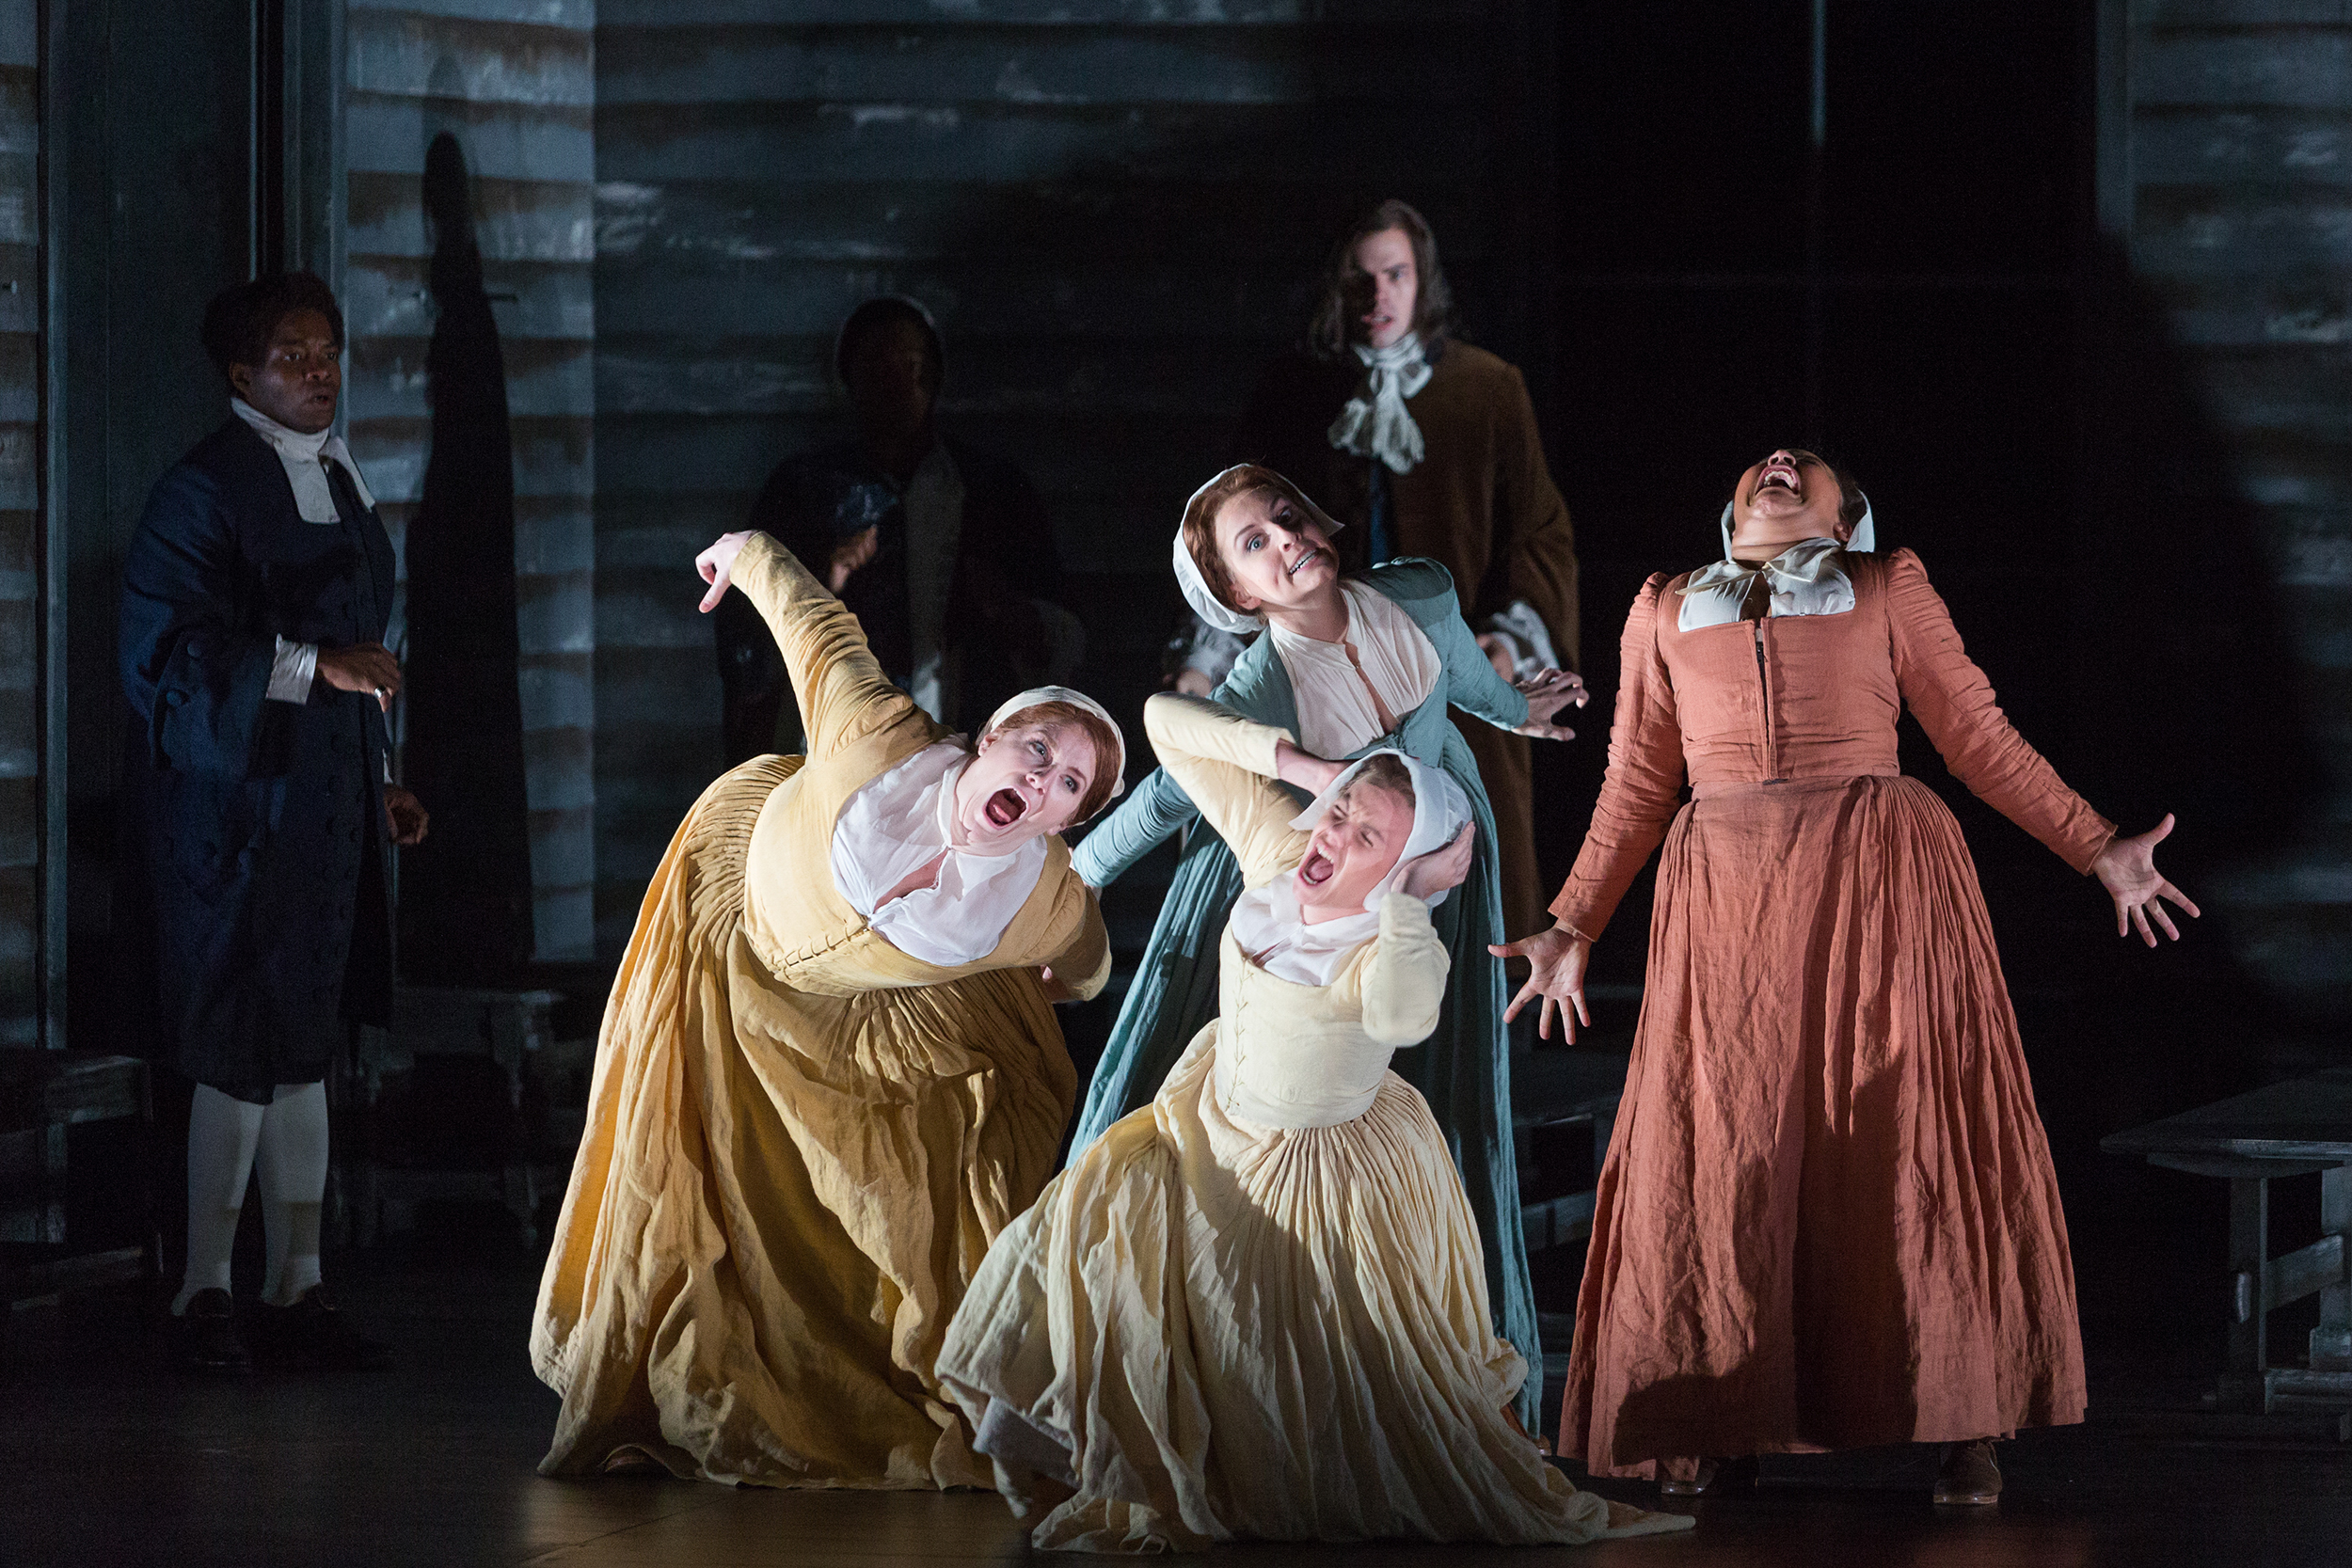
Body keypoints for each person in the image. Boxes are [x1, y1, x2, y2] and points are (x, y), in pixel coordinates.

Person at [1497, 449, 2199, 1503]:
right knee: (1734, 1139)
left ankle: (1964, 1415)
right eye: (1763, 463)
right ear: (1730, 508)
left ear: (1844, 515)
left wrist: (2097, 844)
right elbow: (1639, 773)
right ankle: (1723, 1406)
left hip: (1874, 874)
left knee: (1901, 1124)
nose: (1779, 460)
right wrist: (1573, 918)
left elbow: (1977, 735)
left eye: (1807, 465)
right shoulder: (1664, 606)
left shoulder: (1882, 585)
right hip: (1727, 894)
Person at [939, 691, 1692, 1551]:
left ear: (1404, 866)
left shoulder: (1391, 944)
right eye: (1338, 814)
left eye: (1365, 835)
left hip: (1315, 1174)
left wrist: (1410, 895)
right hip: (1208, 1127)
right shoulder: (1279, 850)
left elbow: (1407, 1018)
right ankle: (1070, 1459)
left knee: (1282, 1381)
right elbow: (1162, 724)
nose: (1329, 835)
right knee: (1080, 1244)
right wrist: (1306, 772)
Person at [532, 527, 1123, 1489]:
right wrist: (743, 554)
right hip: (739, 913)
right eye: (1037, 747)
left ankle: (887, 1375)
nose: (1038, 778)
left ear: (1067, 821)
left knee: (878, 1201)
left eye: (1067, 785)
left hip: (852, 1009)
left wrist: (1068, 984)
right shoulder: (877, 731)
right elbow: (818, 624)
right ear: (991, 735)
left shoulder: (1043, 890)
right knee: (691, 1158)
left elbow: (1087, 952)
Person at [1068, 465, 1581, 1428]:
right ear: (1236, 594)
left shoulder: (1419, 589)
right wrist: (1078, 873)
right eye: (1252, 544)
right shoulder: (1259, 683)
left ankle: (1446, 1372)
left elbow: (1465, 678)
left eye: (1286, 516)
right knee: (1298, 1119)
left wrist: (1522, 711)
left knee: (1435, 1109)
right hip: (1318, 877)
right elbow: (1172, 786)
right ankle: (1268, 1371)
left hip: (1432, 870)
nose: (1284, 540)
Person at [119, 271, 428, 1373]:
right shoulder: (201, 492)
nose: (318, 372)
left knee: (305, 1051)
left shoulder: (338, 482)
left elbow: (364, 652)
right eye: (293, 356)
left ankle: (297, 1288)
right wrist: (316, 667)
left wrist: (378, 773)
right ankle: (204, 1292)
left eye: (329, 352)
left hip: (326, 808)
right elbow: (170, 659)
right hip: (239, 813)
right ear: (241, 375)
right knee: (238, 1043)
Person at [1196, 198, 1581, 944]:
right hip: (1322, 673)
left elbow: (1539, 532)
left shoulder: (1488, 388)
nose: (1380, 297)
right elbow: (1228, 528)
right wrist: (1204, 661)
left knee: (1460, 876)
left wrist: (1501, 646)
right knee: (1325, 872)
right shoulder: (1294, 393)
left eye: (1396, 275)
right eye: (1362, 280)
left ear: (1422, 279)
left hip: (1446, 664)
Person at [713, 295, 1080, 761]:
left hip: (960, 742)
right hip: (834, 741)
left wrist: (1001, 606)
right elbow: (745, 638)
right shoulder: (805, 490)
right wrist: (819, 578)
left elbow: (1059, 630)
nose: (899, 383)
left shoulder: (989, 489)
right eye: (877, 366)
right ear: (851, 379)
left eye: (912, 365)